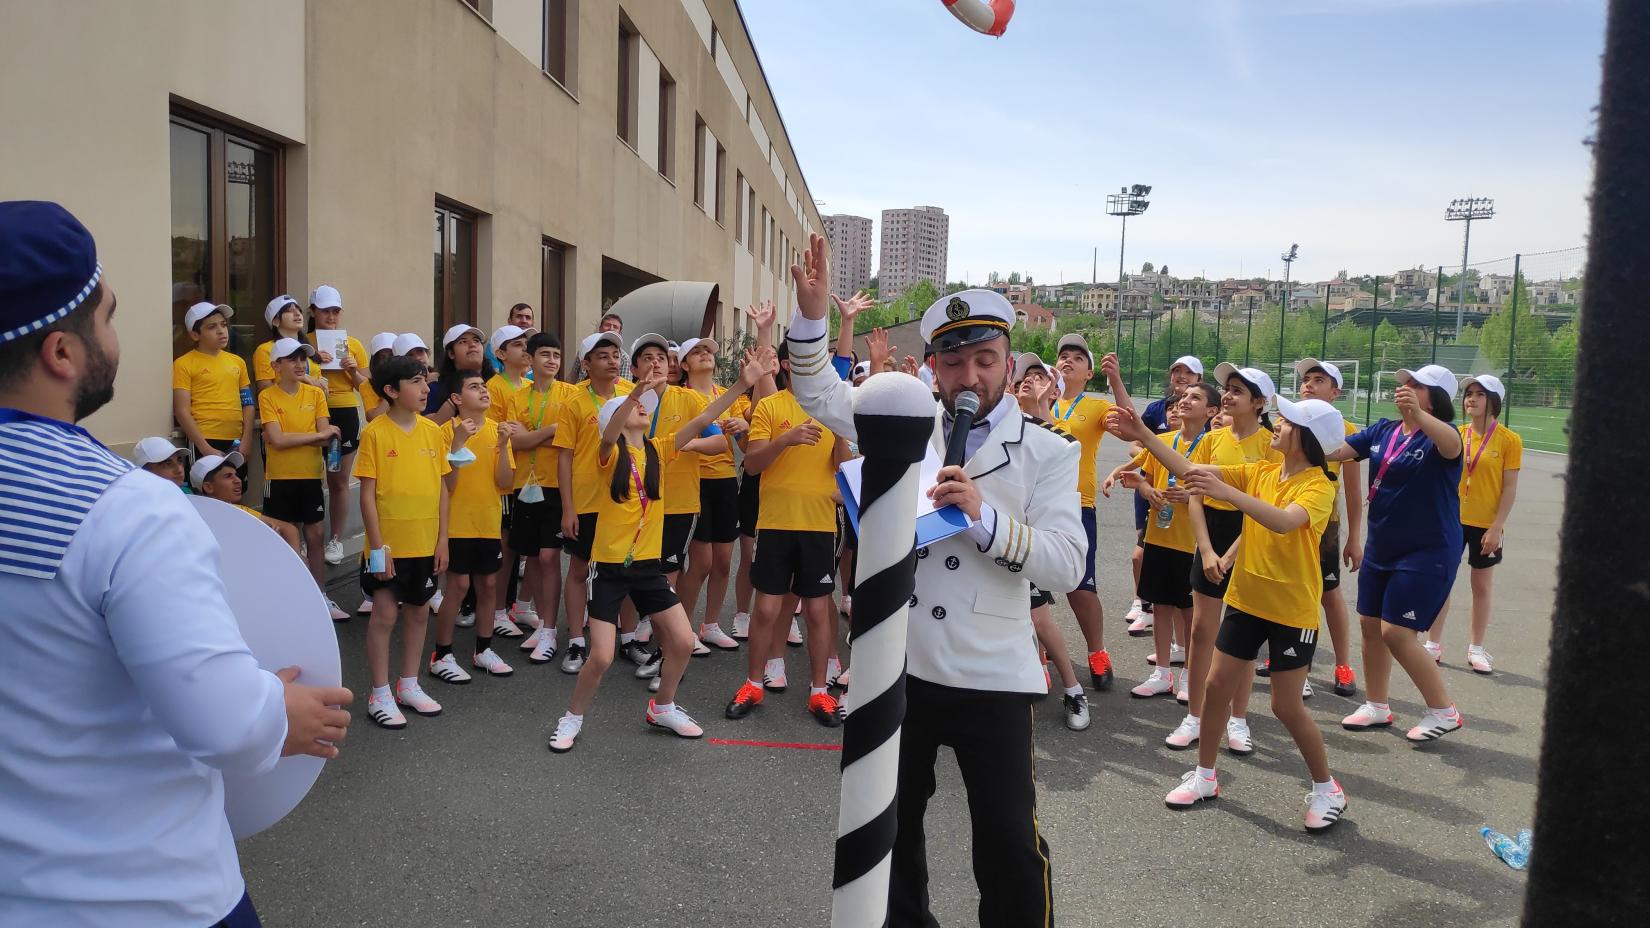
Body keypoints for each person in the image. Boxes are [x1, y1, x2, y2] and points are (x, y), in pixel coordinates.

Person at [0, 199, 351, 928]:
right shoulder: (126, 508)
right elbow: (224, 723)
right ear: (61, 353)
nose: (117, 338)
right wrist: (276, 709)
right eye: (107, 316)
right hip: (144, 895)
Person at [785, 235, 1083, 926]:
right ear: (934, 368)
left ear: (1010, 366)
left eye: (985, 360)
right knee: (889, 834)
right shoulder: (905, 421)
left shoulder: (1048, 451)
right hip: (901, 665)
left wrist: (984, 520)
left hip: (993, 675)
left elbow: (1067, 562)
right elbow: (819, 394)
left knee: (1009, 842)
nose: (969, 375)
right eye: (955, 361)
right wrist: (809, 322)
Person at [1107, 396, 1350, 831]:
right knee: (1216, 688)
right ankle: (1205, 777)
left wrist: (1227, 493)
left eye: (1288, 422)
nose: (1277, 424)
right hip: (1245, 600)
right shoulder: (1263, 471)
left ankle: (1328, 787)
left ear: (1307, 439)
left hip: (1291, 610)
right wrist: (1144, 435)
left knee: (1285, 706)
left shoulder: (1319, 486)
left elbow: (1283, 521)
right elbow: (1191, 471)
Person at [547, 353, 772, 752]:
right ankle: (572, 716)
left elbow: (704, 420)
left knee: (683, 642)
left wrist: (741, 385)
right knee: (600, 657)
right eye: (633, 407)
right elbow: (606, 435)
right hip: (611, 569)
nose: (641, 409)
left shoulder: (660, 449)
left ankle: (663, 706)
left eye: (642, 407)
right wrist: (635, 391)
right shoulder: (609, 455)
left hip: (647, 568)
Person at [1334, 364, 1467, 741]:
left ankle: (1444, 710)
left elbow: (1452, 445)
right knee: (1370, 625)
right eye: (1404, 384)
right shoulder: (1383, 430)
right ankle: (1377, 704)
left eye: (1416, 385)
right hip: (1383, 545)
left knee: (1397, 631)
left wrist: (1420, 415)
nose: (1404, 389)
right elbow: (1337, 451)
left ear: (1435, 397)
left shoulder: (1442, 436)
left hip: (1427, 550)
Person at [1162, 362, 1281, 756]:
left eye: (1238, 391)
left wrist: (1230, 554)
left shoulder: (1271, 445)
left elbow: (1263, 509)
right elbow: (1195, 492)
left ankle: (1238, 718)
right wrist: (1208, 549)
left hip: (1248, 537)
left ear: (1259, 403)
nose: (1227, 396)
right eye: (1226, 389)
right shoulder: (1214, 439)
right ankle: (1194, 715)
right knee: (1201, 631)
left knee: (1239, 637)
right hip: (1210, 533)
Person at [354, 354, 453, 729]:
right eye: (416, 382)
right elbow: (367, 495)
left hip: (425, 543)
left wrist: (443, 539)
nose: (426, 388)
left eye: (425, 380)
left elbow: (442, 487)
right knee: (384, 615)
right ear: (392, 391)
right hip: (388, 547)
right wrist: (378, 546)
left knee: (417, 611)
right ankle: (379, 692)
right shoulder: (375, 433)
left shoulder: (432, 431)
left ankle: (408, 684)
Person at [1126, 382, 1219, 702]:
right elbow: (1142, 481)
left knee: (1189, 611)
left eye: (1195, 397)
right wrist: (1148, 491)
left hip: (1192, 543)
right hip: (1159, 536)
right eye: (1183, 397)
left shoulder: (1213, 446)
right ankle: (1161, 672)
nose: (1184, 401)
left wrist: (1192, 495)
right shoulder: (1163, 443)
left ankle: (1190, 674)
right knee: (1161, 606)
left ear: (1212, 411)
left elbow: (1223, 495)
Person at [1013, 352, 1090, 731]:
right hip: (998, 536)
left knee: (1038, 617)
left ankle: (1074, 690)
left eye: (1039, 377)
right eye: (1023, 377)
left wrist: (1043, 406)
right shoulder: (1001, 425)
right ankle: (1032, 671)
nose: (1030, 380)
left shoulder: (1058, 435)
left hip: (1032, 540)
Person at [1426, 374, 1521, 673]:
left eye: (1480, 394)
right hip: (1451, 519)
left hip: (1486, 524)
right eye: (1469, 393)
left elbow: (1509, 488)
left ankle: (1476, 648)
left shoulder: (1509, 440)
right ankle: (1433, 644)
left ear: (1494, 401)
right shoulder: (1457, 433)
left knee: (1481, 585)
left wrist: (1496, 527)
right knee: (1443, 580)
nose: (1472, 398)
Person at [426, 371, 516, 683]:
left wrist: (504, 446)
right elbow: (448, 484)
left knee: (488, 585)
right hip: (455, 524)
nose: (483, 391)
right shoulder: (444, 433)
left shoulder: (496, 430)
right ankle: (442, 653)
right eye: (474, 387)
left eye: (484, 387)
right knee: (459, 586)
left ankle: (483, 650)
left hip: (487, 522)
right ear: (456, 398)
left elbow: (505, 483)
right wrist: (459, 442)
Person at [1283, 359, 1364, 696]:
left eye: (1318, 380)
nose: (1308, 385)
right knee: (1288, 591)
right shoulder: (1285, 425)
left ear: (1335, 391)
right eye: (1306, 379)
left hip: (1324, 525)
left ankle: (1343, 664)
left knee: (1329, 594)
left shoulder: (1347, 432)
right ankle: (1289, 660)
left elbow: (1355, 492)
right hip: (1288, 519)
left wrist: (1354, 538)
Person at [674, 331, 760, 652]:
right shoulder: (678, 396)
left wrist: (746, 428)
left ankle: (710, 625)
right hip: (693, 483)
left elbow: (748, 447)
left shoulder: (728, 395)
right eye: (696, 352)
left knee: (724, 561)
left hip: (725, 482)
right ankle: (681, 628)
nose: (705, 355)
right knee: (701, 562)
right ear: (684, 364)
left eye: (708, 350)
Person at [554, 331, 632, 674]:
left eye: (616, 354)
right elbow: (564, 458)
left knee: (627, 569)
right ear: (586, 364)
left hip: (624, 500)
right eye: (603, 356)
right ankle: (575, 640)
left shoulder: (632, 394)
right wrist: (568, 508)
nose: (613, 360)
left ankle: (628, 638)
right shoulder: (573, 402)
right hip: (586, 502)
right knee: (579, 569)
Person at [258, 337, 346, 618]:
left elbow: (323, 440)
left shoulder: (316, 395)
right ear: (276, 366)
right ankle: (286, 594)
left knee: (316, 534)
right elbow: (276, 439)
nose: (299, 364)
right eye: (292, 359)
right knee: (283, 537)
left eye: (302, 359)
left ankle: (320, 595)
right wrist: (318, 435)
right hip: (279, 478)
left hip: (310, 476)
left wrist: (316, 437)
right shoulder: (267, 396)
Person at [1051, 334, 1118, 690]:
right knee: (1031, 583)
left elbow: (1126, 424)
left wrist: (1117, 381)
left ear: (1089, 373)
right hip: (1037, 504)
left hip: (1078, 505)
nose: (1068, 360)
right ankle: (1041, 650)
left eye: (1078, 358)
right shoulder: (1040, 400)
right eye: (1063, 355)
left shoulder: (1094, 407)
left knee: (1081, 586)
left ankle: (1097, 652)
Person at [1126, 355, 1206, 632]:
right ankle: (1142, 603)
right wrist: (1150, 456)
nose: (1181, 376)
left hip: (1190, 518)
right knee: (1143, 555)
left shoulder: (1210, 430)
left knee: (1186, 591)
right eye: (1176, 371)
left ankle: (1185, 646)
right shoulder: (1156, 409)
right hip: (1157, 496)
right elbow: (1137, 445)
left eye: (1189, 372)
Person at [508, 332, 573, 664]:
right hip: (525, 485)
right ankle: (541, 624)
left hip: (557, 486)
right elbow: (514, 444)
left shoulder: (570, 395)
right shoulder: (517, 397)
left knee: (549, 556)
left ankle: (550, 628)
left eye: (556, 355)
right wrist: (548, 432)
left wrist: (534, 435)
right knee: (531, 556)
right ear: (529, 360)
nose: (551, 360)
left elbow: (566, 439)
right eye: (544, 354)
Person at [307, 285, 369, 567]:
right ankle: (307, 540)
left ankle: (335, 539)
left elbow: (366, 387)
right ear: (313, 312)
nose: (331, 316)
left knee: (339, 479)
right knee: (307, 478)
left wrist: (352, 369)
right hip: (308, 413)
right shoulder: (303, 342)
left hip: (344, 413)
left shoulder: (352, 343)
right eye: (325, 310)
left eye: (335, 310)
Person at [172, 301, 254, 473]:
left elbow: (248, 403)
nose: (221, 330)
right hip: (205, 437)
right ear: (195, 335)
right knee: (207, 492)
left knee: (235, 491)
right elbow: (181, 410)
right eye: (211, 327)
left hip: (236, 441)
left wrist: (246, 440)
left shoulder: (237, 362)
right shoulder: (184, 363)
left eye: (223, 325)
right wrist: (204, 448)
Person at [190, 451, 302, 552]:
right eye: (228, 476)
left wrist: (296, 564)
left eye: (236, 475)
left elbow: (290, 530)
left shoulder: (240, 510)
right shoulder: (195, 518)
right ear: (208, 487)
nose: (238, 481)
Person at [252, 295, 324, 396]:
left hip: (310, 409)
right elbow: (264, 390)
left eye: (298, 310)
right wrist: (303, 377)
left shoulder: (308, 349)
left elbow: (319, 386)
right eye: (289, 311)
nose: (297, 313)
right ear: (275, 321)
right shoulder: (265, 350)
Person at [426, 324, 490, 425]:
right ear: (451, 353)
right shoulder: (435, 389)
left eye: (476, 341)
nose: (472, 345)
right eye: (463, 341)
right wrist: (449, 407)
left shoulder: (496, 383)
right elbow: (428, 429)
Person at [359, 331, 398, 421]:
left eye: (392, 355)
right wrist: (392, 390)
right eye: (383, 357)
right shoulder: (367, 385)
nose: (388, 360)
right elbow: (373, 418)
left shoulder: (411, 379)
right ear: (375, 361)